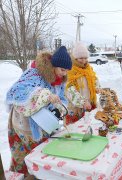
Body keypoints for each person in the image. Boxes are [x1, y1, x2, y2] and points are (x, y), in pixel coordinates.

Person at [5, 46, 72, 176]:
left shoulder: (60, 80)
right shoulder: (35, 73)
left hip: (43, 121)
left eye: (67, 71)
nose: (64, 73)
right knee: (23, 156)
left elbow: (62, 98)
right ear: (53, 65)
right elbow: (17, 92)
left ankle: (38, 175)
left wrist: (58, 109)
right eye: (62, 69)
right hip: (23, 123)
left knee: (42, 155)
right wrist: (45, 95)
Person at [65, 42, 100, 125]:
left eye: (85, 58)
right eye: (81, 58)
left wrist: (97, 87)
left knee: (90, 127)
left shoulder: (89, 69)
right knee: (77, 130)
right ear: (75, 58)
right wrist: (82, 102)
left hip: (89, 105)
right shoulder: (70, 70)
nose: (84, 61)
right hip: (76, 108)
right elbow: (69, 90)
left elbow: (95, 79)